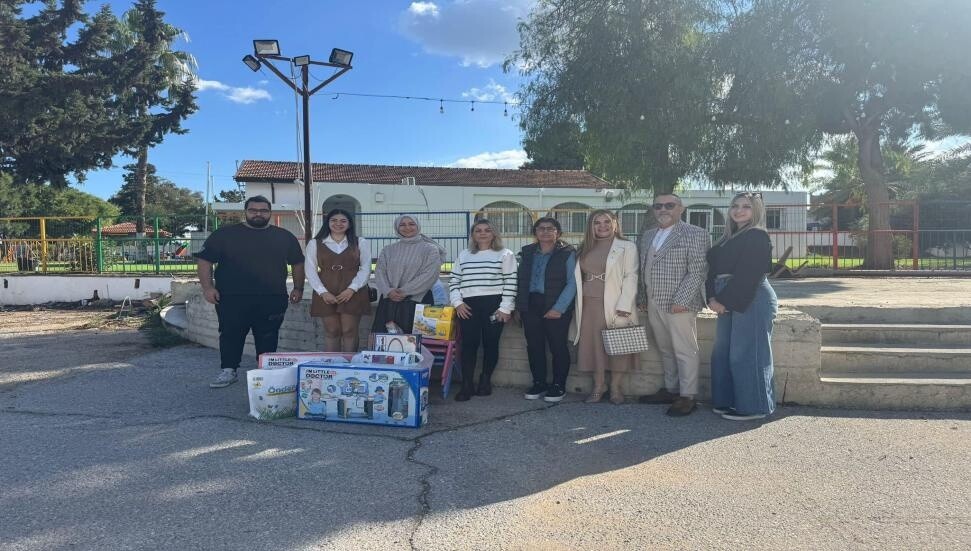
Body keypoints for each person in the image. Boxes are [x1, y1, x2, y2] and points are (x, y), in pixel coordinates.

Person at [195, 196, 305, 388]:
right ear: (245, 212)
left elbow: (297, 263)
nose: (258, 214)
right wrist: (207, 287)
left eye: (263, 210)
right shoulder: (224, 235)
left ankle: (265, 373)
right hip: (231, 298)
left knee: (269, 336)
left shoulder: (284, 236)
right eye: (253, 210)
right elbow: (205, 261)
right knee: (230, 334)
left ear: (270, 213)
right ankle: (229, 370)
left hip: (272, 297)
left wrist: (298, 287)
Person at [636, 193, 710, 416]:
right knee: (666, 349)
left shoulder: (696, 234)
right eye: (658, 206)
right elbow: (643, 268)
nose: (663, 209)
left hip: (680, 304)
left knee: (684, 350)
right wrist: (642, 298)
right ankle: (672, 389)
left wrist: (682, 300)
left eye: (669, 205)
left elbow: (698, 271)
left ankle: (688, 396)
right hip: (653, 302)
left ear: (681, 208)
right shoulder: (648, 236)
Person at [707, 192, 778, 421]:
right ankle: (726, 401)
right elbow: (711, 272)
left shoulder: (757, 235)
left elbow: (750, 274)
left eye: (746, 206)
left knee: (748, 353)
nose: (739, 210)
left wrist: (723, 300)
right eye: (735, 206)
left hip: (752, 297)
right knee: (723, 353)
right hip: (725, 297)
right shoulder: (726, 239)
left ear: (756, 210)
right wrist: (711, 298)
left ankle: (754, 407)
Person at [574, 210, 640, 405]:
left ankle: (615, 388)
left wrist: (625, 304)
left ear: (615, 224)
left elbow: (631, 275)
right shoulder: (585, 247)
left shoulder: (627, 246)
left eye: (606, 222)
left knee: (618, 346)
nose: (602, 226)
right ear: (590, 226)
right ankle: (598, 386)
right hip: (588, 304)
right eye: (597, 222)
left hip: (615, 302)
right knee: (594, 347)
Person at [449, 219, 517, 401]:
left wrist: (505, 308)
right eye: (478, 230)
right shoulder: (464, 255)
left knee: (490, 344)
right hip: (468, 306)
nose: (483, 233)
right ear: (473, 235)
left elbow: (511, 282)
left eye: (487, 230)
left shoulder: (505, 254)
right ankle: (467, 384)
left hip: (494, 305)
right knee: (469, 345)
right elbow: (454, 281)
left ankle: (485, 379)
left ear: (494, 233)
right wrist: (458, 303)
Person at [517, 217, 577, 403]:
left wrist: (559, 308)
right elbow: (520, 281)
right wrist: (519, 307)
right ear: (535, 232)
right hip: (531, 304)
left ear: (558, 233)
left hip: (556, 304)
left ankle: (558, 385)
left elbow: (573, 283)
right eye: (540, 228)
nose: (545, 232)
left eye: (550, 228)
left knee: (557, 346)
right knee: (534, 346)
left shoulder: (567, 253)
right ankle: (539, 382)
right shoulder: (527, 253)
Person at [305, 208, 372, 352]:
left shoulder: (360, 242)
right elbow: (310, 270)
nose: (338, 224)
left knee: (349, 331)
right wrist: (322, 292)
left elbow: (366, 268)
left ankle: (350, 365)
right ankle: (332, 366)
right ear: (327, 222)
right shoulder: (315, 243)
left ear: (349, 224)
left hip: (353, 291)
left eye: (343, 221)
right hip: (325, 290)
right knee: (331, 330)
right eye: (334, 220)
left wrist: (352, 289)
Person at [371, 214, 443, 333]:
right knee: (387, 343)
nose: (407, 227)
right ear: (397, 228)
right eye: (402, 225)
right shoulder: (388, 250)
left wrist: (405, 291)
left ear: (418, 226)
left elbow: (430, 274)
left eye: (411, 224)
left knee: (417, 343)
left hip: (418, 301)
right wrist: (389, 291)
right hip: (390, 302)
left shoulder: (430, 249)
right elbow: (380, 272)